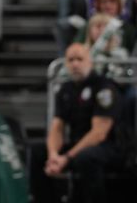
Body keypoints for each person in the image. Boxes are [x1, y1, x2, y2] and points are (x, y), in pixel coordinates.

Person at [30, 43, 123, 203]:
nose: (75, 64)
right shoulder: (66, 90)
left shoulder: (104, 87)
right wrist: (53, 155)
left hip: (108, 147)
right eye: (70, 60)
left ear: (90, 61)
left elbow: (99, 134)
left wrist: (67, 157)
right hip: (76, 146)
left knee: (86, 157)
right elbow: (57, 128)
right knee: (38, 153)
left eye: (80, 59)